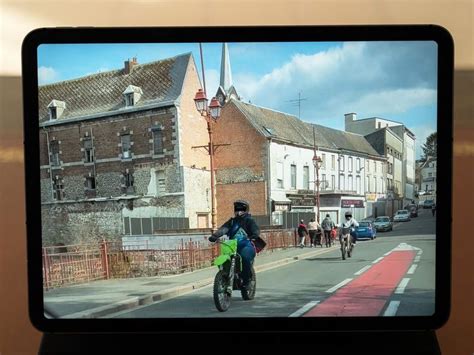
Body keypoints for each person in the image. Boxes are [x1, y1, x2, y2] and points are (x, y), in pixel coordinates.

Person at [208, 200, 266, 290]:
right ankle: (225, 276)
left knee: (245, 258)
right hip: (232, 245)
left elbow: (255, 230)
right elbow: (224, 229)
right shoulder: (232, 222)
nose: (239, 211)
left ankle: (247, 281)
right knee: (224, 258)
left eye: (241, 209)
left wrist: (254, 234)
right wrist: (215, 236)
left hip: (246, 245)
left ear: (246, 210)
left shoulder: (249, 220)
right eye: (237, 209)